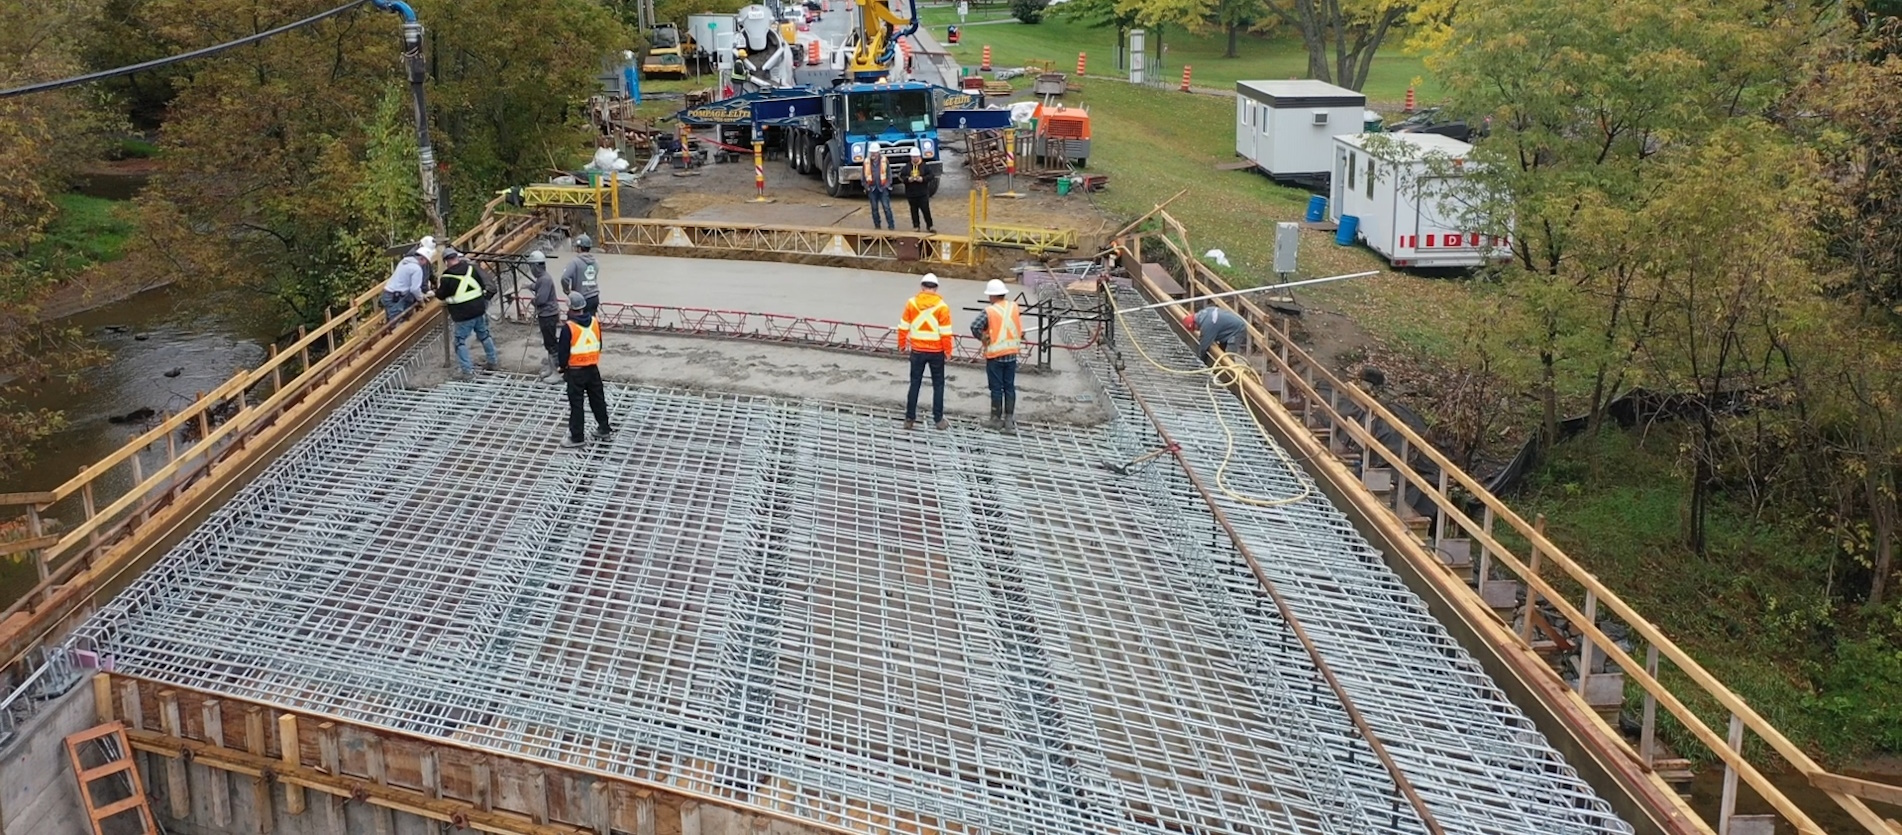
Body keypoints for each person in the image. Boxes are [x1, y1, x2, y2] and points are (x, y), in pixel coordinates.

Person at [555, 291, 615, 449]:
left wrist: (562, 367)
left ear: (570, 308)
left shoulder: (569, 327)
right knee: (598, 400)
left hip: (575, 372)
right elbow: (599, 344)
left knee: (577, 405)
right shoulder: (595, 322)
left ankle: (577, 437)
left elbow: (563, 352)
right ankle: (604, 428)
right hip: (593, 369)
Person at [898, 273, 952, 430]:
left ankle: (909, 419)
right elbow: (946, 332)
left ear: (922, 287)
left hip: (917, 351)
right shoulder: (942, 307)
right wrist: (948, 351)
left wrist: (901, 345)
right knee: (938, 385)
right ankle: (938, 420)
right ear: (935, 288)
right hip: (936, 351)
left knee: (915, 383)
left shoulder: (911, 303)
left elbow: (903, 326)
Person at [435, 248, 500, 378]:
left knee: (459, 342)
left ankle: (467, 371)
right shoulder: (472, 269)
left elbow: (441, 295)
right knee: (484, 335)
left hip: (463, 315)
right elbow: (482, 285)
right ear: (457, 258)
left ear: (446, 261)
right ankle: (493, 362)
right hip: (479, 309)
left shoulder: (447, 277)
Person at [968, 279, 1022, 433]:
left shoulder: (990, 311)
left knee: (996, 388)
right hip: (1011, 354)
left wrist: (982, 337)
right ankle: (1009, 421)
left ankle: (996, 419)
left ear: (992, 296)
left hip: (996, 356)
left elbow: (974, 326)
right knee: (1009, 387)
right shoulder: (1014, 307)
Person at [380, 239, 435, 322]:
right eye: (426, 262)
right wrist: (421, 300)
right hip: (396, 298)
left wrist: (422, 295)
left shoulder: (404, 262)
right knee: (397, 325)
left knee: (392, 321)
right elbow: (414, 289)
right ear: (422, 259)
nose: (425, 264)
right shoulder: (416, 269)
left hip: (388, 294)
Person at [527, 250, 562, 381]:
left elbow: (541, 299)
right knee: (548, 343)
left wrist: (533, 301)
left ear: (536, 266)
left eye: (531, 266)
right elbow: (538, 286)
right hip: (545, 314)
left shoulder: (545, 279)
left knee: (551, 343)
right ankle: (551, 368)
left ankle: (557, 372)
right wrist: (530, 286)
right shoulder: (542, 279)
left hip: (548, 315)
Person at [1183, 306, 1249, 364]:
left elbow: (1204, 346)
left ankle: (1231, 374)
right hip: (1228, 327)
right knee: (1221, 351)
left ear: (1195, 324)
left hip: (1237, 330)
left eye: (1195, 329)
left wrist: (1200, 361)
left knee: (1228, 357)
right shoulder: (1203, 314)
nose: (1197, 330)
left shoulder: (1208, 325)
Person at [561, 234, 602, 316]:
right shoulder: (595, 262)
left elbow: (564, 278)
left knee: (577, 325)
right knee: (591, 324)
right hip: (594, 297)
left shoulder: (575, 262)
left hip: (580, 300)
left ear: (579, 248)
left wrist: (567, 291)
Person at [900, 147, 936, 233]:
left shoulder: (925, 166)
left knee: (926, 210)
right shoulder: (906, 167)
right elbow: (901, 177)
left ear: (919, 156)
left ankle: (929, 226)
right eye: (913, 157)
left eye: (916, 157)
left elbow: (931, 176)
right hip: (911, 193)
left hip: (922, 193)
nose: (915, 158)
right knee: (913, 211)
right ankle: (916, 226)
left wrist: (923, 179)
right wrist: (908, 179)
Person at [862, 143, 896, 230]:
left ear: (878, 152)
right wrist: (866, 186)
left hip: (883, 188)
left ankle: (891, 226)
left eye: (875, 152)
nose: (873, 154)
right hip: (872, 189)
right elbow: (863, 176)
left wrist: (887, 185)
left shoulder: (885, 161)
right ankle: (877, 226)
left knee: (886, 208)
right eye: (872, 153)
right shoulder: (866, 162)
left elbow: (889, 174)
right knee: (874, 209)